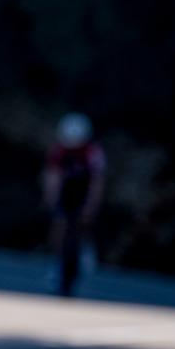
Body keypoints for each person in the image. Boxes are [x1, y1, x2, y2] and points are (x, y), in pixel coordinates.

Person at [41, 113, 106, 297]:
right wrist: (50, 198)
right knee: (59, 228)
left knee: (77, 230)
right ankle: (57, 265)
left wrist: (91, 205)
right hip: (65, 193)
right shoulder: (59, 150)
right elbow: (52, 176)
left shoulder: (92, 152)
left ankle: (82, 255)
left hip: (82, 195)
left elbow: (97, 181)